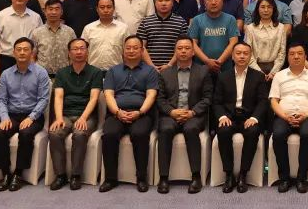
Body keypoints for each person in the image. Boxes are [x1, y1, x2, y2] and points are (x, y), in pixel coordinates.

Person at [99, 36, 159, 193]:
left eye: (135, 47)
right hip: (116, 113)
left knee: (140, 134)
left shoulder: (150, 71)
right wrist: (117, 112)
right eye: (128, 48)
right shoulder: (113, 71)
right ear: (123, 50)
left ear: (142, 50)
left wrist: (140, 112)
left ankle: (141, 178)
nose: (131, 50)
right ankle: (110, 179)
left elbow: (151, 95)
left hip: (142, 113)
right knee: (109, 134)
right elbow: (109, 95)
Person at [155, 37, 212, 194]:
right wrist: (171, 112)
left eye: (187, 48)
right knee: (165, 129)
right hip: (171, 114)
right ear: (175, 52)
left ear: (193, 52)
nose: (183, 51)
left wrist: (192, 112)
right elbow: (160, 99)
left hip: (193, 114)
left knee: (190, 129)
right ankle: (163, 177)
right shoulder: (165, 73)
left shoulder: (203, 71)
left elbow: (207, 98)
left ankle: (196, 176)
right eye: (180, 48)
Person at [0, 37, 50, 192]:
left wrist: (31, 117)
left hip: (33, 115)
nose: (22, 52)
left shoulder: (41, 73)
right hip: (11, 114)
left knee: (25, 134)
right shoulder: (6, 74)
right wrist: (4, 117)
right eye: (19, 49)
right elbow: (1, 99)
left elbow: (43, 99)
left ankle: (18, 173)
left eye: (26, 49)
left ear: (32, 53)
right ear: (14, 52)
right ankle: (5, 173)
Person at [47, 38, 103, 191]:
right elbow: (58, 97)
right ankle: (60, 175)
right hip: (65, 114)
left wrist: (83, 118)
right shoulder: (62, 73)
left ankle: (76, 175)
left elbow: (94, 98)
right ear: (69, 53)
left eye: (82, 48)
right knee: (54, 133)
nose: (79, 52)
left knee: (79, 134)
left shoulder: (95, 72)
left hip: (87, 115)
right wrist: (58, 118)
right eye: (75, 49)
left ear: (87, 51)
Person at [213, 43, 269, 193]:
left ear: (250, 56)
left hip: (249, 117)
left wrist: (255, 118)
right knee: (223, 131)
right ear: (232, 56)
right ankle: (229, 174)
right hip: (229, 117)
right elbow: (216, 101)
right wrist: (222, 116)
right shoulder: (223, 76)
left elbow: (263, 101)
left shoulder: (258, 76)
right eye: (238, 53)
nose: (242, 56)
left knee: (253, 132)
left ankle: (243, 174)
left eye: (245, 53)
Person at [269, 43, 308, 193]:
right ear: (287, 57)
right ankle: (284, 178)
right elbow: (274, 101)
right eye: (292, 54)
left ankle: (301, 178)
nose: (296, 56)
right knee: (278, 135)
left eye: (300, 53)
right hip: (284, 116)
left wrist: (306, 115)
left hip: (306, 116)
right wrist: (285, 116)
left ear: (305, 57)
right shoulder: (279, 76)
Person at [0, 0, 44, 76]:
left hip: (29, 61)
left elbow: (39, 43)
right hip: (6, 60)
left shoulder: (36, 17)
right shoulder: (0, 16)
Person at [137, 0, 189, 71]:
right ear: (155, 3)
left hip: (174, 68)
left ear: (172, 2)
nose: (164, 3)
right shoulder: (146, 22)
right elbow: (141, 47)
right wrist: (152, 66)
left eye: (167, 0)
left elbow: (183, 47)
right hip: (149, 69)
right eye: (160, 0)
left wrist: (169, 65)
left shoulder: (181, 22)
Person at [189, 0, 239, 74]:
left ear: (222, 1)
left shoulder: (230, 19)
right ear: (204, 2)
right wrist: (207, 61)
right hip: (201, 68)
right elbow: (192, 43)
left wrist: (218, 62)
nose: (213, 2)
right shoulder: (197, 20)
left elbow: (233, 42)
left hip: (225, 68)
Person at [244, 0, 287, 79]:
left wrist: (273, 72)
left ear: (273, 9)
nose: (266, 10)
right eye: (262, 7)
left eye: (269, 7)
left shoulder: (281, 28)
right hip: (254, 68)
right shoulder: (250, 28)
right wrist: (259, 73)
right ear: (257, 9)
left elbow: (282, 53)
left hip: (276, 69)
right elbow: (248, 53)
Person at [81, 0, 128, 70]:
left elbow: (127, 52)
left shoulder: (123, 28)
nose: (106, 10)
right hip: (93, 71)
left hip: (116, 71)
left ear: (114, 9)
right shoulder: (88, 28)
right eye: (102, 7)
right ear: (97, 9)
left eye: (109, 7)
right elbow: (83, 52)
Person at [31, 0, 75, 76]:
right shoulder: (37, 33)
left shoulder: (69, 32)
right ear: (45, 11)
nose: (53, 12)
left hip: (65, 76)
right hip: (43, 76)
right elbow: (32, 56)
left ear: (61, 12)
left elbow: (72, 56)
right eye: (50, 9)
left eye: (57, 9)